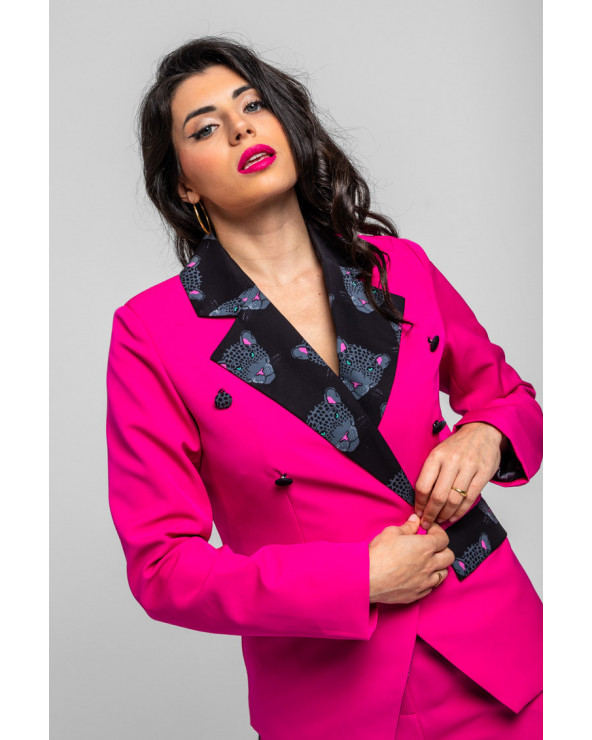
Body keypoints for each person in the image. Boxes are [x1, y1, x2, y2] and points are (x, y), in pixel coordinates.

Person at [106, 36, 543, 739]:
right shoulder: (152, 331)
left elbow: (509, 399)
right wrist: (356, 579)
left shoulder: (397, 267)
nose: (241, 128)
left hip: (506, 657)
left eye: (254, 106)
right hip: (336, 698)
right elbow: (163, 567)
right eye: (205, 128)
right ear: (184, 183)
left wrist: (484, 438)